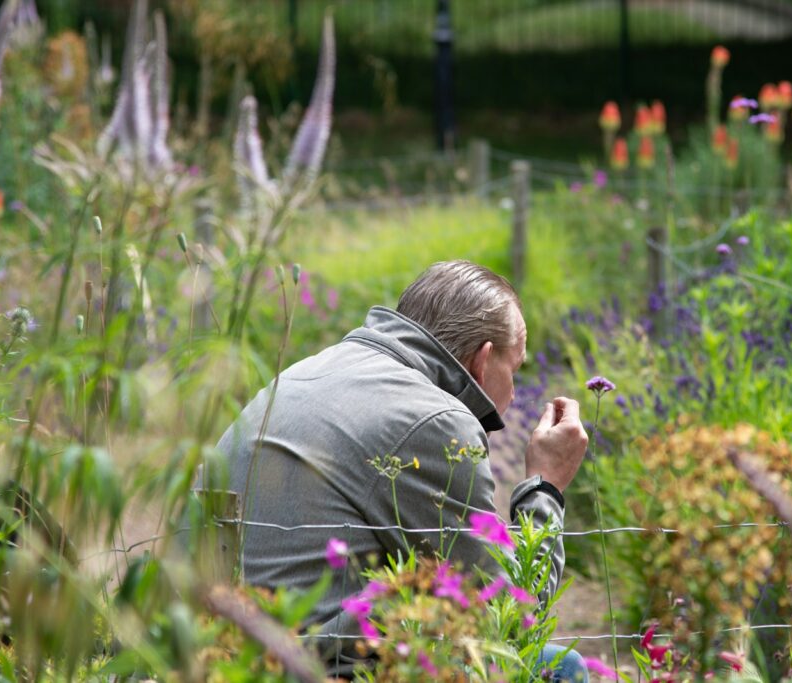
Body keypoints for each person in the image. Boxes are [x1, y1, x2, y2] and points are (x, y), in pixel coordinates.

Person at [215, 260, 590, 679]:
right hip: (310, 669)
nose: (516, 391)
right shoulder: (433, 420)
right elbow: (513, 616)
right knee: (562, 666)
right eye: (514, 369)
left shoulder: (306, 372)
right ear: (483, 360)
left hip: (221, 653)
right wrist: (546, 484)